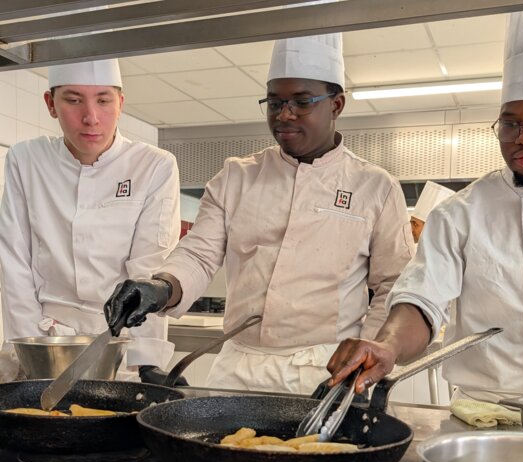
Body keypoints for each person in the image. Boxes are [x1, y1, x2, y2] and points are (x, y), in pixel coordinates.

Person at [326, 4, 523, 402]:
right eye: (511, 123)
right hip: (484, 409)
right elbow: (422, 299)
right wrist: (388, 346)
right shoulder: (460, 214)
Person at [105, 34, 415, 394]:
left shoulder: (375, 187)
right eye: (274, 102)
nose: (284, 115)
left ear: (337, 104)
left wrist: (365, 360)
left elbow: (392, 284)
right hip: (237, 368)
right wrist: (160, 287)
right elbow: (198, 255)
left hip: (325, 372)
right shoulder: (237, 176)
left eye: (302, 102)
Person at [0, 59, 181, 383]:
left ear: (121, 103)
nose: (91, 117)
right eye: (73, 99)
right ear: (50, 104)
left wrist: (147, 361)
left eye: (104, 100)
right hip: (43, 341)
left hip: (117, 350)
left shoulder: (154, 166)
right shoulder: (26, 161)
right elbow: (15, 263)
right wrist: (33, 350)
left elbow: (149, 269)